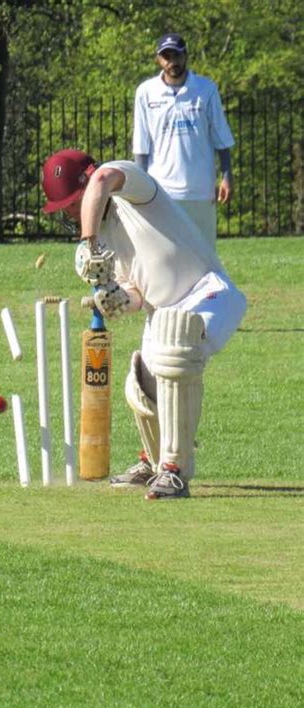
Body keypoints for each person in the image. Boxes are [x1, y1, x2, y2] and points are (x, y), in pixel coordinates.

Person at [41, 148, 247, 500]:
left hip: (208, 293)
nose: (72, 213)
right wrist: (118, 298)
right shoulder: (103, 238)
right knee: (138, 384)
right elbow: (136, 291)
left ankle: (175, 471)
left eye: (73, 203)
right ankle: (153, 461)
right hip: (161, 312)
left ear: (86, 184)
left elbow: (103, 180)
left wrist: (87, 243)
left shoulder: (130, 187)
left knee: (174, 345)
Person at [132, 32, 234, 248]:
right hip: (161, 189)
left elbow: (221, 137)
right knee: (165, 255)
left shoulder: (206, 89)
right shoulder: (145, 92)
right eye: (166, 57)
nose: (172, 62)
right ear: (158, 60)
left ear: (185, 55)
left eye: (176, 55)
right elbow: (141, 146)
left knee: (204, 254)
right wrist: (141, 188)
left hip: (200, 189)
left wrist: (226, 176)